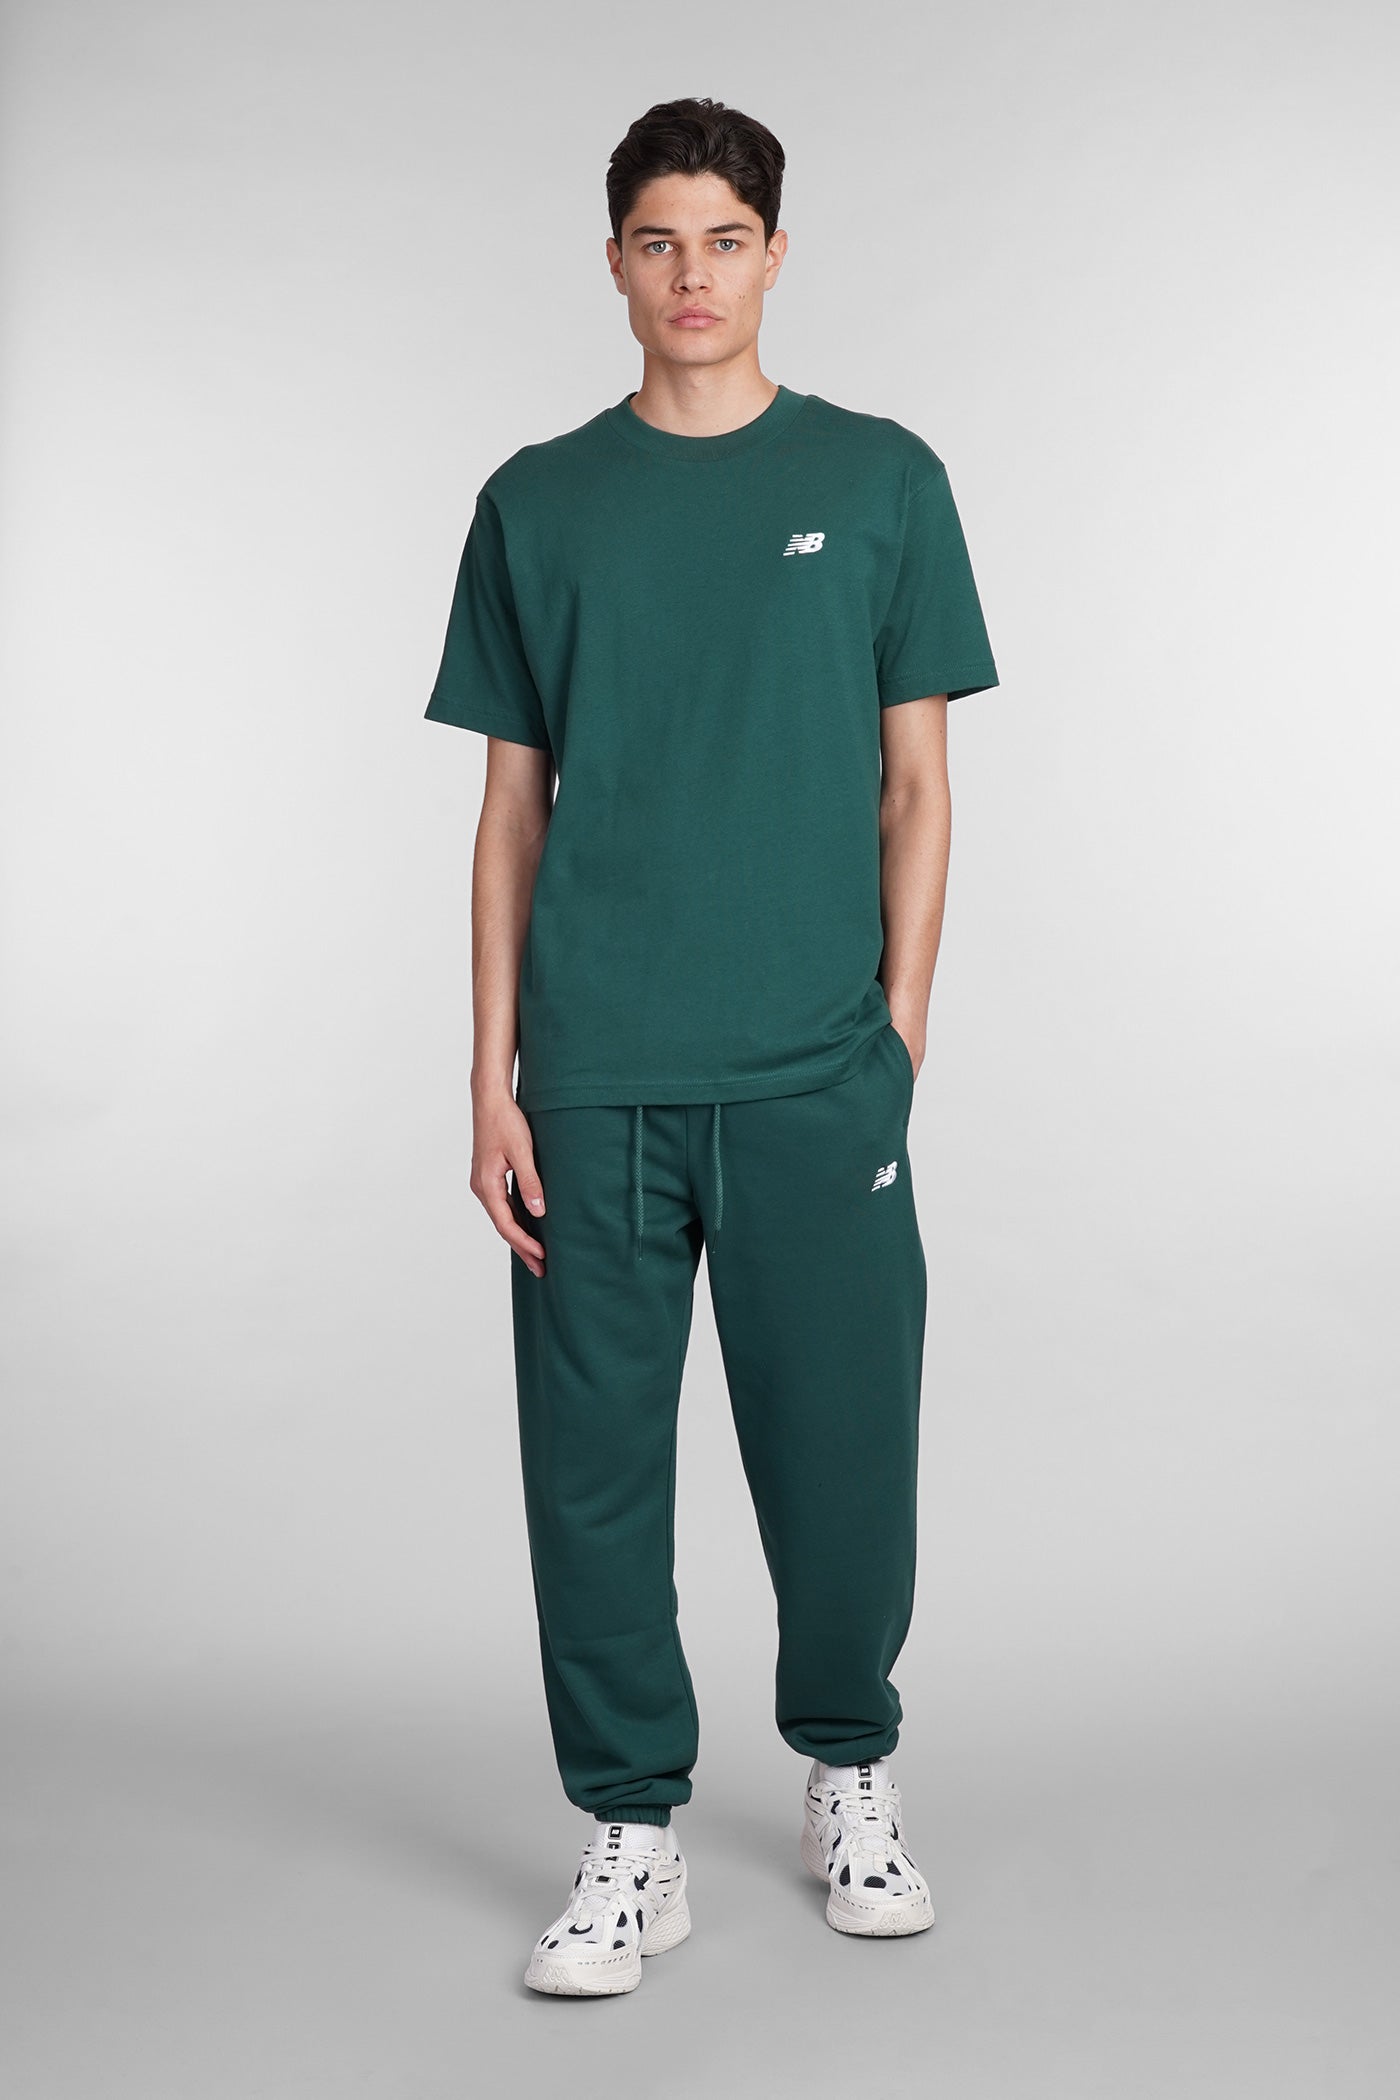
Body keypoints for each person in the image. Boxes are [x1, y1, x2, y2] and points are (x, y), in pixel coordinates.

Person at [424, 95, 999, 1997]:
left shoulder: (885, 480)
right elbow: (511, 814)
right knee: (589, 1476)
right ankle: (631, 1833)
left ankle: (850, 1771)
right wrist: (491, 1079)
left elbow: (920, 791)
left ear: (775, 255)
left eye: (725, 239)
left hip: (817, 1075)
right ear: (613, 261)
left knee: (843, 1457)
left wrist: (896, 1042)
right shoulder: (537, 502)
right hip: (593, 1080)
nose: (693, 274)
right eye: (659, 240)